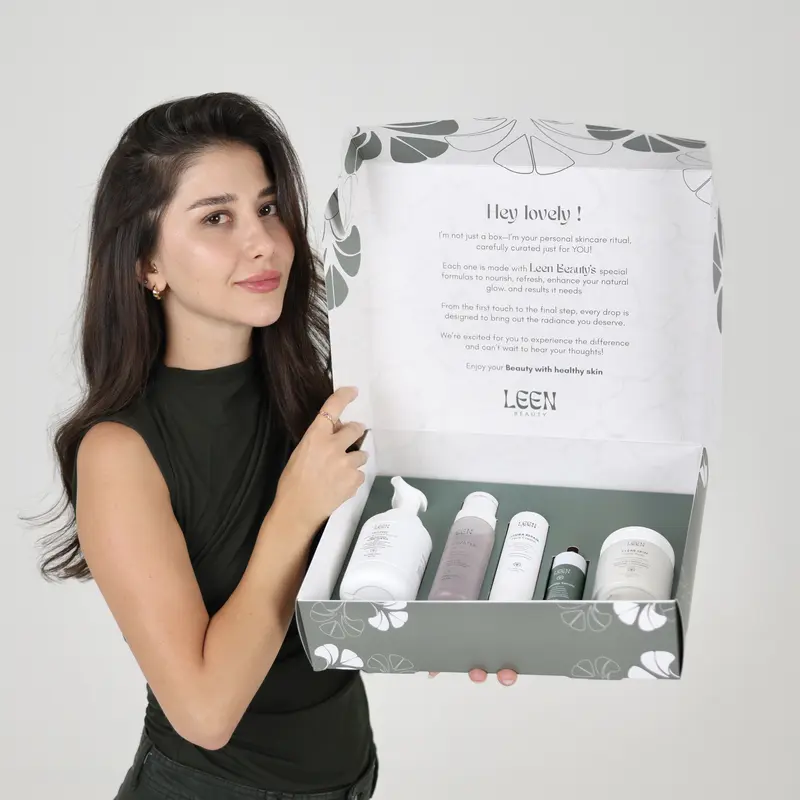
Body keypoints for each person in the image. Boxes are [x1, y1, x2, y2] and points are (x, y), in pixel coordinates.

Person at [34, 91, 517, 800]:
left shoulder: (319, 396)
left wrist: (464, 627)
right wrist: (293, 512)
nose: (262, 240)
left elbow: (355, 590)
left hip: (350, 779)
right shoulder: (119, 451)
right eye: (216, 217)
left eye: (267, 208)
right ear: (146, 264)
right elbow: (204, 712)